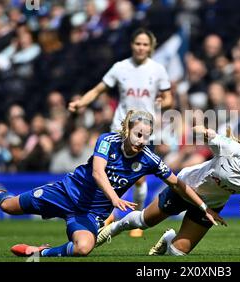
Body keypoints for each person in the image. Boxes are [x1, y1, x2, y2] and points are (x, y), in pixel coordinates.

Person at [0, 111, 223, 257]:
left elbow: (178, 184)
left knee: (84, 249)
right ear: (126, 130)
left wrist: (204, 208)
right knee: (10, 207)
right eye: (137, 134)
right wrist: (114, 199)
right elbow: (99, 173)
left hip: (91, 212)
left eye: (146, 136)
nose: (142, 140)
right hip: (66, 193)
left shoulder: (149, 160)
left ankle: (40, 253)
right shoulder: (107, 141)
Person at [95, 126, 240, 256]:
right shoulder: (230, 148)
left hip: (210, 208)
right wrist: (204, 132)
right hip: (185, 188)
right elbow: (205, 132)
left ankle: (170, 239)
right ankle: (110, 229)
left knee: (178, 254)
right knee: (143, 223)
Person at [68, 28, 173, 237]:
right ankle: (105, 213)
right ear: (132, 45)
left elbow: (169, 98)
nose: (141, 48)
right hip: (119, 128)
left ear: (150, 47)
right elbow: (99, 90)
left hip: (144, 132)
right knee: (107, 173)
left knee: (138, 178)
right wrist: (81, 103)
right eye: (137, 44)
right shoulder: (120, 67)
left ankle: (135, 217)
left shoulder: (158, 70)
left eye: (145, 44)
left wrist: (164, 102)